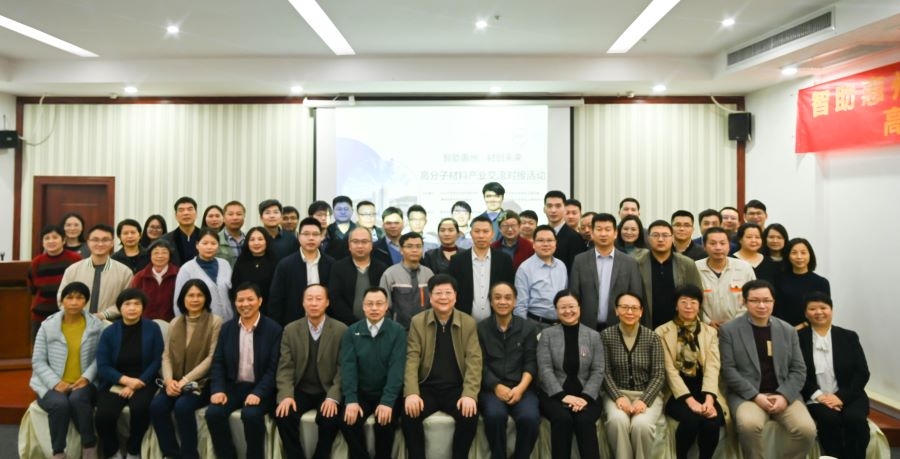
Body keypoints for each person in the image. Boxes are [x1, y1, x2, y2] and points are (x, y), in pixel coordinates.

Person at [719, 279, 816, 459]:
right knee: (748, 426)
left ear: (773, 302)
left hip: (783, 393)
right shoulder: (729, 330)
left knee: (807, 430)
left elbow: (798, 369)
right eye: (755, 301)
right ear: (744, 302)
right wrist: (755, 396)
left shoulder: (788, 330)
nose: (762, 305)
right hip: (748, 395)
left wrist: (784, 396)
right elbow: (729, 370)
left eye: (767, 300)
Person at [402, 274, 482, 459]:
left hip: (456, 388)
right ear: (430, 297)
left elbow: (474, 361)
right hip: (427, 387)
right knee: (409, 414)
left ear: (455, 296)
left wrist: (469, 394)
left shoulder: (468, 322)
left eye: (448, 292)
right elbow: (412, 359)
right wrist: (412, 393)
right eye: (438, 293)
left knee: (470, 415)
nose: (443, 297)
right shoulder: (418, 321)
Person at [205, 282, 282, 459]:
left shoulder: (274, 329)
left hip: (261, 389)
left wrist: (259, 393)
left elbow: (274, 368)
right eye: (240, 300)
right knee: (213, 413)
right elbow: (218, 362)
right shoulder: (227, 328)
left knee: (251, 415)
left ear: (260, 301)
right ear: (235, 303)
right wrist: (218, 389)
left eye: (250, 299)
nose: (245, 304)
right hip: (234, 387)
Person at [150, 280, 223, 459]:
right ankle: (171, 454)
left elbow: (211, 358)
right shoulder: (175, 322)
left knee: (183, 407)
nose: (195, 299)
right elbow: (166, 355)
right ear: (183, 299)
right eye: (190, 295)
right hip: (174, 381)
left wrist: (185, 380)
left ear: (206, 298)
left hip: (201, 383)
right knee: (157, 407)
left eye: (199, 295)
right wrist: (169, 381)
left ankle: (190, 455)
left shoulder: (215, 322)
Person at [30, 282, 103, 459]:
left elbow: (100, 358)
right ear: (62, 300)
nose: (74, 302)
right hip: (50, 384)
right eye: (69, 297)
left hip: (84, 383)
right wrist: (56, 383)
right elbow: (38, 360)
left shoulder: (97, 326)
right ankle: (58, 452)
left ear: (86, 301)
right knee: (60, 404)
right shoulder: (48, 325)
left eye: (79, 297)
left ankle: (89, 446)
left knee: (78, 399)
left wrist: (86, 378)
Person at [275, 284, 347, 459]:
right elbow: (285, 367)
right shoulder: (290, 330)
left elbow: (343, 369)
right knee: (284, 415)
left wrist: (333, 397)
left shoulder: (341, 330)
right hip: (301, 389)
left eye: (318, 299)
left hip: (327, 389)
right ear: (303, 303)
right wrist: (286, 395)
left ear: (327, 302)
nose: (313, 303)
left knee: (330, 419)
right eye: (309, 299)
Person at [655, 285, 726, 459]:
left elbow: (712, 367)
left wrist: (709, 400)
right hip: (677, 393)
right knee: (691, 420)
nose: (689, 306)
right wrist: (691, 401)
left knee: (712, 422)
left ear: (699, 305)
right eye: (684, 302)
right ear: (676, 305)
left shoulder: (710, 332)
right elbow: (669, 371)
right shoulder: (662, 332)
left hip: (705, 389)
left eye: (693, 302)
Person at [798, 291, 871, 459]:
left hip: (849, 394)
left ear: (831, 310)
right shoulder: (797, 338)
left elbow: (862, 372)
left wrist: (840, 397)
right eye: (812, 309)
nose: (818, 312)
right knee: (829, 420)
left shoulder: (848, 336)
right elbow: (797, 373)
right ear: (806, 313)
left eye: (823, 308)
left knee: (855, 419)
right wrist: (820, 396)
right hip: (816, 397)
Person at [94, 288, 164, 459]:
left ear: (143, 307)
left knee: (140, 409)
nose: (132, 308)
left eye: (136, 304)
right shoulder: (109, 332)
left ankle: (134, 450)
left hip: (145, 380)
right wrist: (126, 381)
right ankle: (113, 451)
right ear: (120, 308)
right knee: (104, 415)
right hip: (115, 380)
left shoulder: (153, 328)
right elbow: (103, 365)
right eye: (127, 304)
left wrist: (137, 383)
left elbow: (157, 360)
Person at [340, 287, 407, 459]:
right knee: (348, 420)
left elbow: (397, 369)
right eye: (369, 304)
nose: (374, 308)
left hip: (388, 393)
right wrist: (351, 399)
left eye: (379, 303)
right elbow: (348, 368)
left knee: (384, 422)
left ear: (386, 306)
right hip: (362, 393)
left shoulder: (398, 332)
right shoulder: (351, 331)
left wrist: (387, 401)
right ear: (363, 306)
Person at [536, 290, 604, 459]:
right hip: (554, 395)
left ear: (579, 308)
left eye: (572, 306)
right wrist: (563, 396)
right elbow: (545, 369)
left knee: (584, 420)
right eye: (563, 307)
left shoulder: (593, 336)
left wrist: (585, 397)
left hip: (586, 395)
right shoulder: (547, 335)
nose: (568, 311)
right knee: (562, 419)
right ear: (556, 310)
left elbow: (598, 370)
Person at [477, 282, 540, 459]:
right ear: (491, 302)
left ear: (515, 301)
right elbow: (479, 364)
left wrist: (520, 389)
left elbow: (531, 362)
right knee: (495, 416)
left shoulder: (528, 328)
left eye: (508, 298)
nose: (502, 302)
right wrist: (496, 386)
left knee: (529, 418)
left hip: (522, 388)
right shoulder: (480, 328)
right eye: (497, 298)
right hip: (491, 389)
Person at [600, 292, 666, 459]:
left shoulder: (653, 337)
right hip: (616, 393)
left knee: (641, 425)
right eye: (624, 307)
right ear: (616, 310)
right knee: (617, 421)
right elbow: (605, 372)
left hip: (646, 394)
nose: (629, 312)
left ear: (641, 312)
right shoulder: (606, 336)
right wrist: (617, 396)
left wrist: (644, 400)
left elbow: (658, 375)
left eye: (634, 308)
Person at [569, 213, 642, 331]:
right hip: (586, 327)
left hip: (619, 326)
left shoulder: (630, 263)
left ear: (615, 233)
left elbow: (636, 296)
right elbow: (574, 294)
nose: (603, 234)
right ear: (592, 233)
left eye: (608, 229)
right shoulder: (580, 260)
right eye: (599, 229)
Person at [634, 220, 703, 329]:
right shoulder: (637, 264)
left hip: (680, 327)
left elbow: (697, 296)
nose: (660, 239)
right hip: (646, 326)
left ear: (672, 238)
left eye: (665, 235)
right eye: (655, 235)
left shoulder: (687, 264)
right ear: (648, 238)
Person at [58, 224, 134, 321]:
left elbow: (127, 301)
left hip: (110, 324)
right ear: (88, 242)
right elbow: (61, 298)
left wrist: (103, 315)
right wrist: (79, 314)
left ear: (112, 243)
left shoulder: (125, 272)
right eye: (95, 240)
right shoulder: (72, 270)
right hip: (76, 322)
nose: (100, 244)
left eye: (105, 240)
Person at [269, 217, 336, 326]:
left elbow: (335, 297)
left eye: (315, 234)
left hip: (326, 325)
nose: (311, 238)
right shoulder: (285, 265)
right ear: (298, 236)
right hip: (293, 325)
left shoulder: (331, 264)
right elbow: (276, 300)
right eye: (306, 234)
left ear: (321, 237)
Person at [448, 215, 515, 321]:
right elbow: (452, 291)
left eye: (485, 231)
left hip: (496, 322)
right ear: (471, 234)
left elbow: (510, 290)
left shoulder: (504, 260)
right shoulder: (457, 260)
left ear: (492, 234)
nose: (481, 235)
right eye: (477, 231)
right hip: (464, 321)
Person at [28, 225, 82, 341]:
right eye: (47, 238)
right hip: (41, 314)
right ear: (43, 243)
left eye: (55, 237)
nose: (51, 241)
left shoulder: (75, 259)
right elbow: (32, 288)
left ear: (63, 240)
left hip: (68, 312)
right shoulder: (36, 262)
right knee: (40, 346)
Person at [695, 227, 755, 329]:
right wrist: (707, 321)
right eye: (712, 243)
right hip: (705, 328)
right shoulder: (695, 268)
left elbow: (753, 297)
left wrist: (735, 322)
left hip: (740, 326)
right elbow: (691, 299)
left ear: (729, 246)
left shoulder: (744, 268)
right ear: (704, 246)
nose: (718, 247)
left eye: (723, 243)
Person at [327, 226, 388, 325]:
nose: (360, 246)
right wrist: (354, 323)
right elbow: (335, 299)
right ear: (349, 245)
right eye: (355, 242)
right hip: (346, 325)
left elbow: (385, 298)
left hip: (376, 323)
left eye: (364, 242)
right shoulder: (338, 268)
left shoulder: (381, 268)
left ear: (371, 245)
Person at [173, 228, 233, 321]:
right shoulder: (187, 269)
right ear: (197, 245)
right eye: (205, 243)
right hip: (201, 323)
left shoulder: (225, 264)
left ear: (218, 245)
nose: (209, 247)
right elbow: (178, 302)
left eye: (213, 243)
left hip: (228, 321)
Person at [513, 225, 567, 328]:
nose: (545, 244)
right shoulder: (525, 268)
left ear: (555, 243)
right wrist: (524, 330)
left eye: (550, 240)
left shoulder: (561, 266)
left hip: (560, 324)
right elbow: (520, 306)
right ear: (533, 244)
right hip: (535, 324)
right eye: (540, 240)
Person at [379, 232, 434, 329]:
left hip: (426, 329)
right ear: (401, 250)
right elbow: (384, 307)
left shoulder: (429, 274)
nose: (414, 250)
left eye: (418, 246)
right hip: (399, 330)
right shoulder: (390, 274)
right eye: (409, 246)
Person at [774, 238, 830, 327]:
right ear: (788, 256)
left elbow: (824, 310)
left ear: (810, 255)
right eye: (794, 253)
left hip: (812, 328)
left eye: (803, 253)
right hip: (783, 330)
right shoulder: (778, 280)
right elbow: (776, 309)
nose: (799, 257)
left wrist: (803, 325)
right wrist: (789, 330)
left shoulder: (821, 282)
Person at [230, 227, 277, 317]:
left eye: (260, 239)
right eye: (252, 240)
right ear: (247, 242)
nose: (256, 243)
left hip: (269, 312)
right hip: (245, 309)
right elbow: (234, 287)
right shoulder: (241, 261)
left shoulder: (275, 261)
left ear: (266, 241)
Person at [130, 239, 179, 321]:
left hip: (172, 323)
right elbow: (134, 300)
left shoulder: (178, 274)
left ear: (170, 255)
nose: (160, 256)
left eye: (164, 252)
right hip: (145, 322)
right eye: (156, 253)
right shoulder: (140, 277)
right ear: (150, 255)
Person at [544, 190, 585, 271]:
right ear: (544, 209)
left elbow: (576, 270)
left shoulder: (575, 237)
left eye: (558, 206)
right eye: (549, 206)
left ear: (564, 209)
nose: (553, 210)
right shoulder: (540, 234)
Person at [163, 196, 201, 266]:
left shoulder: (205, 237)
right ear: (176, 216)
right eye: (181, 210)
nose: (186, 213)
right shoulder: (166, 240)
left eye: (190, 209)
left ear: (196, 214)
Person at [218, 201, 246, 267]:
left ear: (244, 217)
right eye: (230, 214)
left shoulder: (250, 240)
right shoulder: (215, 240)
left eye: (239, 214)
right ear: (223, 218)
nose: (235, 218)